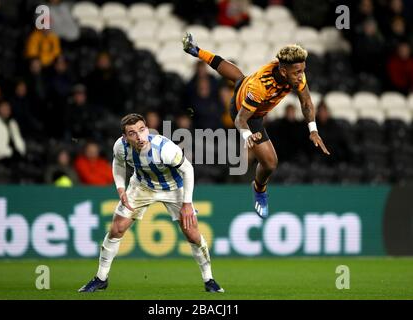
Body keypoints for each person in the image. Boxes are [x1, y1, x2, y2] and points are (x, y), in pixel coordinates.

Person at [182, 32, 330, 218]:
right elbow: (240, 120)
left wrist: (313, 130)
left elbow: (306, 102)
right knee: (270, 163)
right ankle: (260, 190)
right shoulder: (261, 87)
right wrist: (247, 136)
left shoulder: (295, 73)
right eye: (297, 72)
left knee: (238, 77)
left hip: (247, 88)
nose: (301, 76)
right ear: (283, 72)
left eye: (302, 70)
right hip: (244, 112)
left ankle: (196, 50)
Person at [78, 113, 223, 293]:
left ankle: (209, 280)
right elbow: (118, 164)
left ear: (147, 129)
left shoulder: (164, 149)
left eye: (142, 130)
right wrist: (121, 189)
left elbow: (188, 170)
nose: (139, 136)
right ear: (125, 137)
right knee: (117, 228)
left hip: (173, 188)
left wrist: (187, 204)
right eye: (132, 133)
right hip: (142, 186)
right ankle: (101, 278)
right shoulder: (120, 146)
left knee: (192, 234)